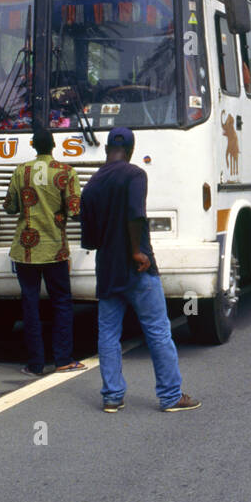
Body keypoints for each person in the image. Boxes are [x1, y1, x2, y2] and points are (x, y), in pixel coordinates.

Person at [81, 127, 200, 413]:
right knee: (157, 330)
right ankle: (171, 396)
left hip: (108, 270)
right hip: (138, 268)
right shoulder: (135, 175)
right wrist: (136, 250)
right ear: (131, 150)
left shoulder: (92, 185)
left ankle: (112, 396)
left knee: (108, 335)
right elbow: (136, 214)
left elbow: (90, 240)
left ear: (107, 148)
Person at [4, 126, 84, 376]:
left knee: (30, 304)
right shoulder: (66, 172)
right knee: (61, 303)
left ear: (32, 145)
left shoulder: (21, 171)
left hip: (25, 250)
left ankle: (35, 364)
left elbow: (10, 207)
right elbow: (75, 211)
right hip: (55, 249)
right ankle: (63, 359)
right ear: (53, 145)